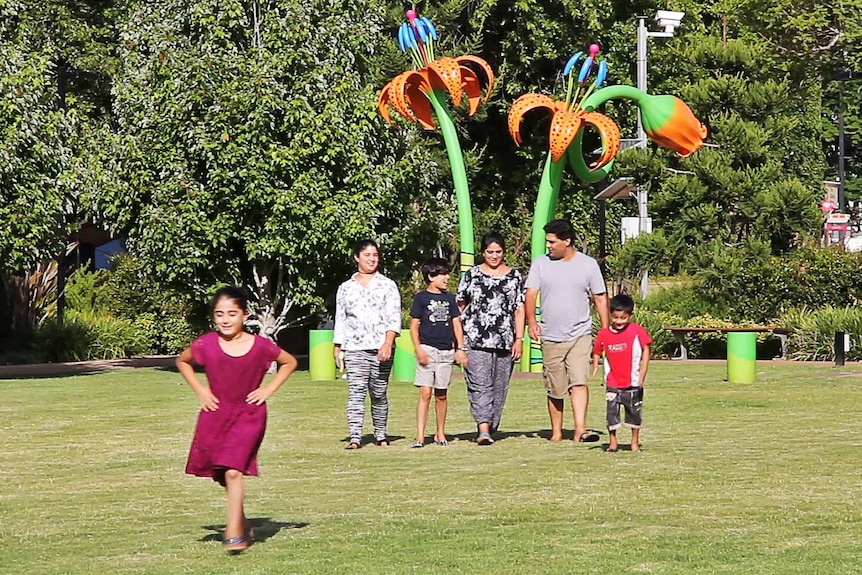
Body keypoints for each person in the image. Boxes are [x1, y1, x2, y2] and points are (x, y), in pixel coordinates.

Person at [177, 286, 298, 553]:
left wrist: (268, 389)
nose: (225, 319)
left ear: (245, 315)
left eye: (232, 313)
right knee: (221, 473)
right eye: (219, 314)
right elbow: (182, 361)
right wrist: (201, 390)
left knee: (233, 471)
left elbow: (289, 362)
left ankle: (233, 534)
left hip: (249, 415)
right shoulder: (205, 344)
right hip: (215, 415)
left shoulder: (260, 346)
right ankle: (242, 522)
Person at [525, 218, 609, 443]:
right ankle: (557, 432)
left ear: (567, 241)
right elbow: (531, 294)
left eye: (552, 242)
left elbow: (600, 298)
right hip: (550, 335)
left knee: (579, 381)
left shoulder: (588, 265)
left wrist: (606, 330)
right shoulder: (540, 264)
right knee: (555, 388)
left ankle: (580, 430)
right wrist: (532, 321)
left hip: (579, 334)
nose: (548, 246)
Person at [456, 231, 525, 445]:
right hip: (476, 339)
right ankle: (483, 428)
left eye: (498, 252)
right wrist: (459, 338)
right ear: (482, 252)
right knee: (480, 384)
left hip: (505, 339)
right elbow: (460, 304)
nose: (494, 256)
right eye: (490, 252)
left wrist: (519, 338)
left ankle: (492, 424)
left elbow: (519, 309)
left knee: (499, 386)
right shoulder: (472, 275)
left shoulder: (514, 276)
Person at [333, 239, 401, 449]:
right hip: (355, 348)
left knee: (378, 393)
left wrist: (388, 343)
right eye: (367, 255)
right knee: (356, 392)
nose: (372, 259)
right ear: (357, 258)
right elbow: (341, 319)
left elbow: (393, 317)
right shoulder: (345, 288)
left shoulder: (388, 285)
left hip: (381, 348)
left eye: (375, 255)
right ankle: (355, 437)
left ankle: (380, 434)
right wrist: (338, 346)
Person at [409, 257, 468, 448]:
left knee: (441, 394)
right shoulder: (421, 298)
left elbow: (456, 323)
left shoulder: (450, 298)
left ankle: (440, 433)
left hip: (446, 351)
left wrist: (460, 348)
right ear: (431, 276)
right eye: (443, 274)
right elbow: (414, 325)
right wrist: (418, 349)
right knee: (425, 392)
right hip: (427, 349)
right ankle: (420, 436)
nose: (447, 277)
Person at [590, 294, 651, 452]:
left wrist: (642, 372)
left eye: (623, 318)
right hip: (613, 383)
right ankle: (613, 442)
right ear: (610, 315)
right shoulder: (604, 334)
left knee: (634, 413)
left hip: (633, 383)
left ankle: (634, 441)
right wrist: (596, 364)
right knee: (611, 413)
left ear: (630, 316)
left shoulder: (637, 331)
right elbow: (597, 350)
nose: (619, 321)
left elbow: (646, 349)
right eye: (615, 317)